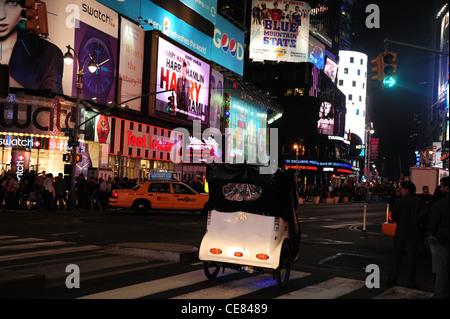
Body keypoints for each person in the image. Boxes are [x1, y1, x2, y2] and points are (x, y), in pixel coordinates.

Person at [0, 0, 63, 94]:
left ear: (23, 7)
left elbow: (51, 101)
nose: (1, 15)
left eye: (12, 2)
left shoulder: (49, 53)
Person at [387, 181, 427, 288]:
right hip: (414, 232)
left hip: (401, 232)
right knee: (411, 259)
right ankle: (410, 281)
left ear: (407, 190)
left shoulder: (400, 201)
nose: (401, 191)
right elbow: (422, 217)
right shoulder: (420, 202)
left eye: (402, 189)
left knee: (397, 257)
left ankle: (392, 279)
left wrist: (401, 220)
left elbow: (393, 215)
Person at [427, 176, 449, 299]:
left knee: (442, 269)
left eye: (442, 186)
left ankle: (440, 294)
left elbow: (433, 222)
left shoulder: (442, 203)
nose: (440, 188)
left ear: (447, 187)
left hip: (444, 240)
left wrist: (433, 234)